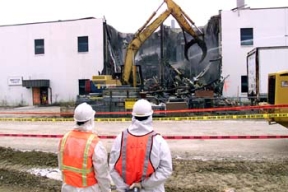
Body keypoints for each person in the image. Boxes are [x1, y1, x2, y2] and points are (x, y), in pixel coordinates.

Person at [109, 99, 173, 192]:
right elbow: (166, 169)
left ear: (133, 116)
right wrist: (142, 184)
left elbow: (112, 167)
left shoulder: (120, 139)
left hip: (126, 189)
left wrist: (123, 187)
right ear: (150, 116)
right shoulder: (158, 141)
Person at [58, 102, 111, 192]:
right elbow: (102, 174)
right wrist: (106, 190)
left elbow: (61, 166)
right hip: (88, 188)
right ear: (91, 119)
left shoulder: (65, 139)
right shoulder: (95, 143)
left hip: (67, 188)